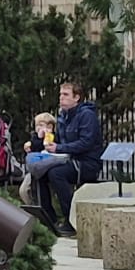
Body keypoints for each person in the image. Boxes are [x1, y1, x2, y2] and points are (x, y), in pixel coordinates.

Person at [36, 79, 103, 237]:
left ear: (77, 97)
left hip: (87, 162)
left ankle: (71, 219)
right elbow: (58, 141)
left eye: (66, 94)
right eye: (60, 94)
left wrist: (59, 148)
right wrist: (45, 138)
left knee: (56, 174)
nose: (61, 97)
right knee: (40, 172)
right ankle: (49, 218)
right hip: (68, 159)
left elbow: (86, 143)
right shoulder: (63, 117)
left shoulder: (87, 116)